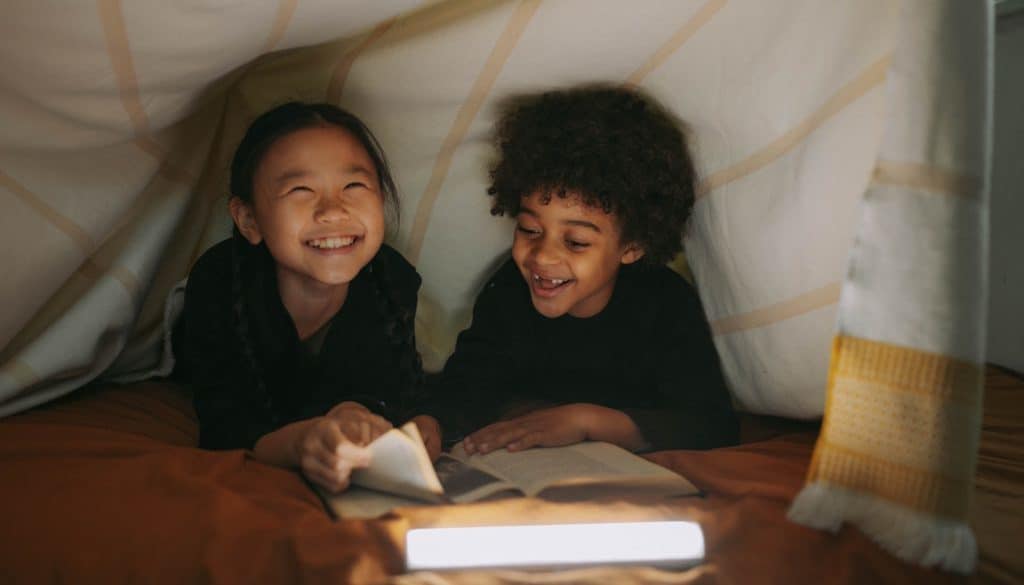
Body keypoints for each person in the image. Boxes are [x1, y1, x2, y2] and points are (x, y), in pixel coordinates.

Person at [436, 85, 737, 455]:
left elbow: (709, 425)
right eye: (530, 230)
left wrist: (583, 421)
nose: (542, 257)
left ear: (633, 246)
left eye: (576, 241)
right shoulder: (509, 291)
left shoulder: (664, 305)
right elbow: (464, 387)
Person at [172, 102, 441, 493]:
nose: (333, 211)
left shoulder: (391, 280)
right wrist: (303, 442)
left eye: (354, 186)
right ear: (249, 220)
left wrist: (367, 415)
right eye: (300, 190)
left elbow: (390, 387)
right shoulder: (219, 283)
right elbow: (228, 424)